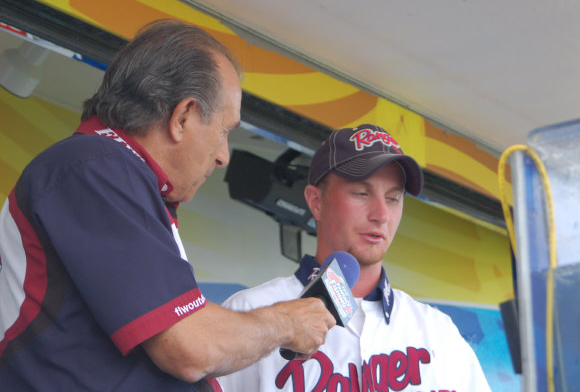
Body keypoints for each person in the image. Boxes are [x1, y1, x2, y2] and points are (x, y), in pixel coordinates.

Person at [0, 19, 335, 391]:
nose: (223, 156)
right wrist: (285, 323)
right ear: (183, 116)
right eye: (225, 131)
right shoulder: (95, 167)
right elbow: (191, 347)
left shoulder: (112, 173)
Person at [218, 124, 491, 391]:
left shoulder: (438, 332)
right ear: (316, 202)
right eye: (362, 193)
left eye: (394, 198)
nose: (381, 215)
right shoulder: (248, 311)